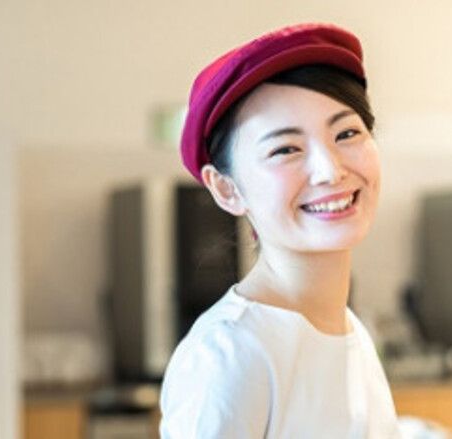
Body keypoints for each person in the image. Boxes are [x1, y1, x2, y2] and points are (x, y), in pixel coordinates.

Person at [159, 23, 402, 438]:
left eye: (346, 133)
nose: (329, 171)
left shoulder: (352, 333)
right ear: (227, 189)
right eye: (286, 149)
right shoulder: (229, 354)